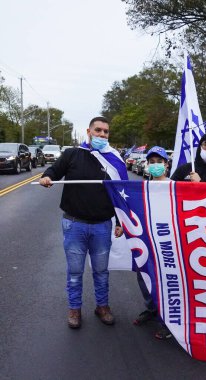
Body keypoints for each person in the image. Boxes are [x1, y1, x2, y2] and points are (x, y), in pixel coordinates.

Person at [39, 116, 128, 329]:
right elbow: (54, 171)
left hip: (101, 226)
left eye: (106, 132)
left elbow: (120, 193)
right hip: (74, 224)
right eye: (98, 130)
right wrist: (46, 177)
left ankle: (102, 307)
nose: (102, 135)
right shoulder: (72, 154)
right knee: (75, 272)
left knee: (101, 271)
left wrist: (119, 220)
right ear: (88, 131)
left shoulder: (113, 160)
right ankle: (74, 309)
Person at [133, 146, 172, 340]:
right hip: (147, 241)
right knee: (144, 276)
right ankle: (151, 309)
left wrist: (197, 184)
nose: (156, 165)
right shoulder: (143, 187)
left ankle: (168, 320)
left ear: (166, 164)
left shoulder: (175, 187)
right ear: (147, 165)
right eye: (152, 162)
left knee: (166, 280)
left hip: (167, 243)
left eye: (160, 161)